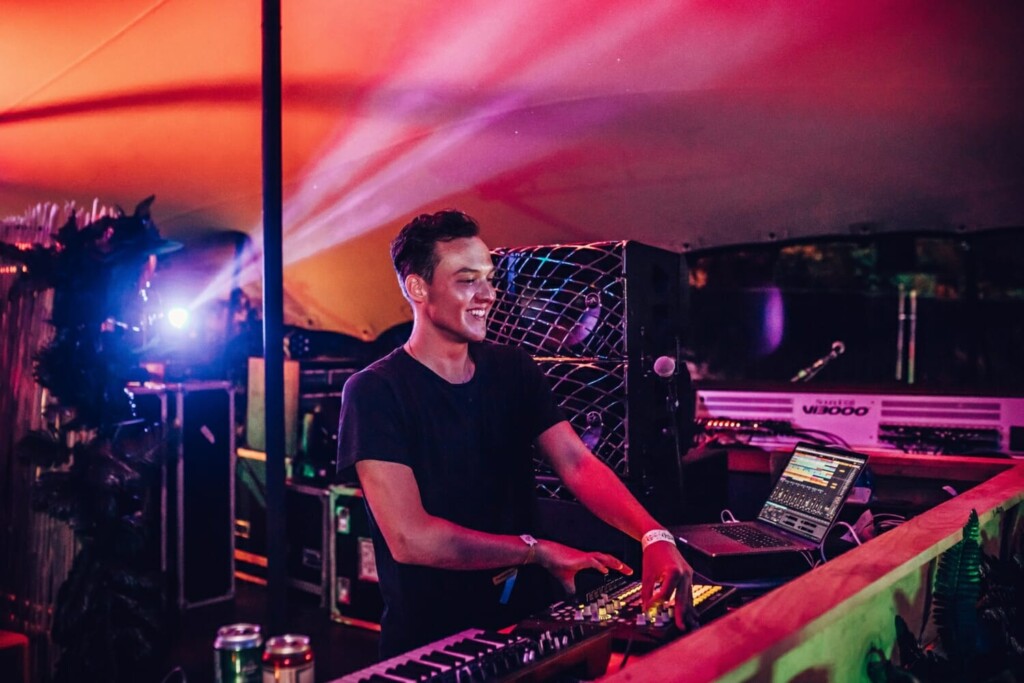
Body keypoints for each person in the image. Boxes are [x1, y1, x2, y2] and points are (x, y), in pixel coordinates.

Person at [337, 210, 696, 658]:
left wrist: (653, 536)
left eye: (488, 279)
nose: (488, 295)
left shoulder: (513, 369)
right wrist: (536, 551)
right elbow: (411, 537)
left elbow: (577, 462)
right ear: (417, 288)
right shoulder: (374, 391)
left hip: (523, 621)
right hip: (433, 639)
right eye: (467, 281)